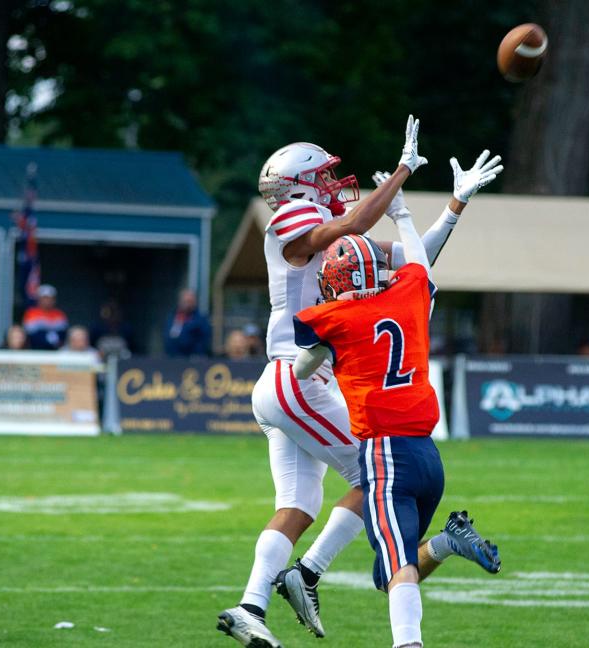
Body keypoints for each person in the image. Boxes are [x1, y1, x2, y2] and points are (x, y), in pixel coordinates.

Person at [216, 116, 503, 648]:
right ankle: (307, 574)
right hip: (295, 378)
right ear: (300, 186)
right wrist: (399, 175)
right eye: (323, 178)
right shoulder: (292, 221)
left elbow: (412, 261)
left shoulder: (337, 239)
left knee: (299, 505)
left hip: (293, 380)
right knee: (373, 474)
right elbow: (347, 229)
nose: (333, 185)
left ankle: (250, 606)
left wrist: (453, 208)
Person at [291, 209, 500, 648]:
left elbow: (302, 365)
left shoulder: (335, 320)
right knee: (386, 574)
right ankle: (447, 542)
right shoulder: (407, 298)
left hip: (385, 455)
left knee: (398, 568)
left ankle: (408, 644)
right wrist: (403, 215)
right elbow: (420, 264)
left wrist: (328, 343)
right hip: (428, 458)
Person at [164, 288, 211, 357]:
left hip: (191, 360)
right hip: (172, 359)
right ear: (180, 302)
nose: (188, 305)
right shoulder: (172, 317)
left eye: (190, 302)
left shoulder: (201, 320)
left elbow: (203, 341)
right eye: (185, 301)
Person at [22, 284, 69, 350]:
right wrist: (48, 337)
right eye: (44, 298)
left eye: (50, 298)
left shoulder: (59, 314)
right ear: (38, 299)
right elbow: (31, 334)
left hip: (55, 349)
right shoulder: (31, 313)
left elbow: (62, 334)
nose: (47, 301)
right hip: (35, 349)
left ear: (54, 300)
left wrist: (50, 337)